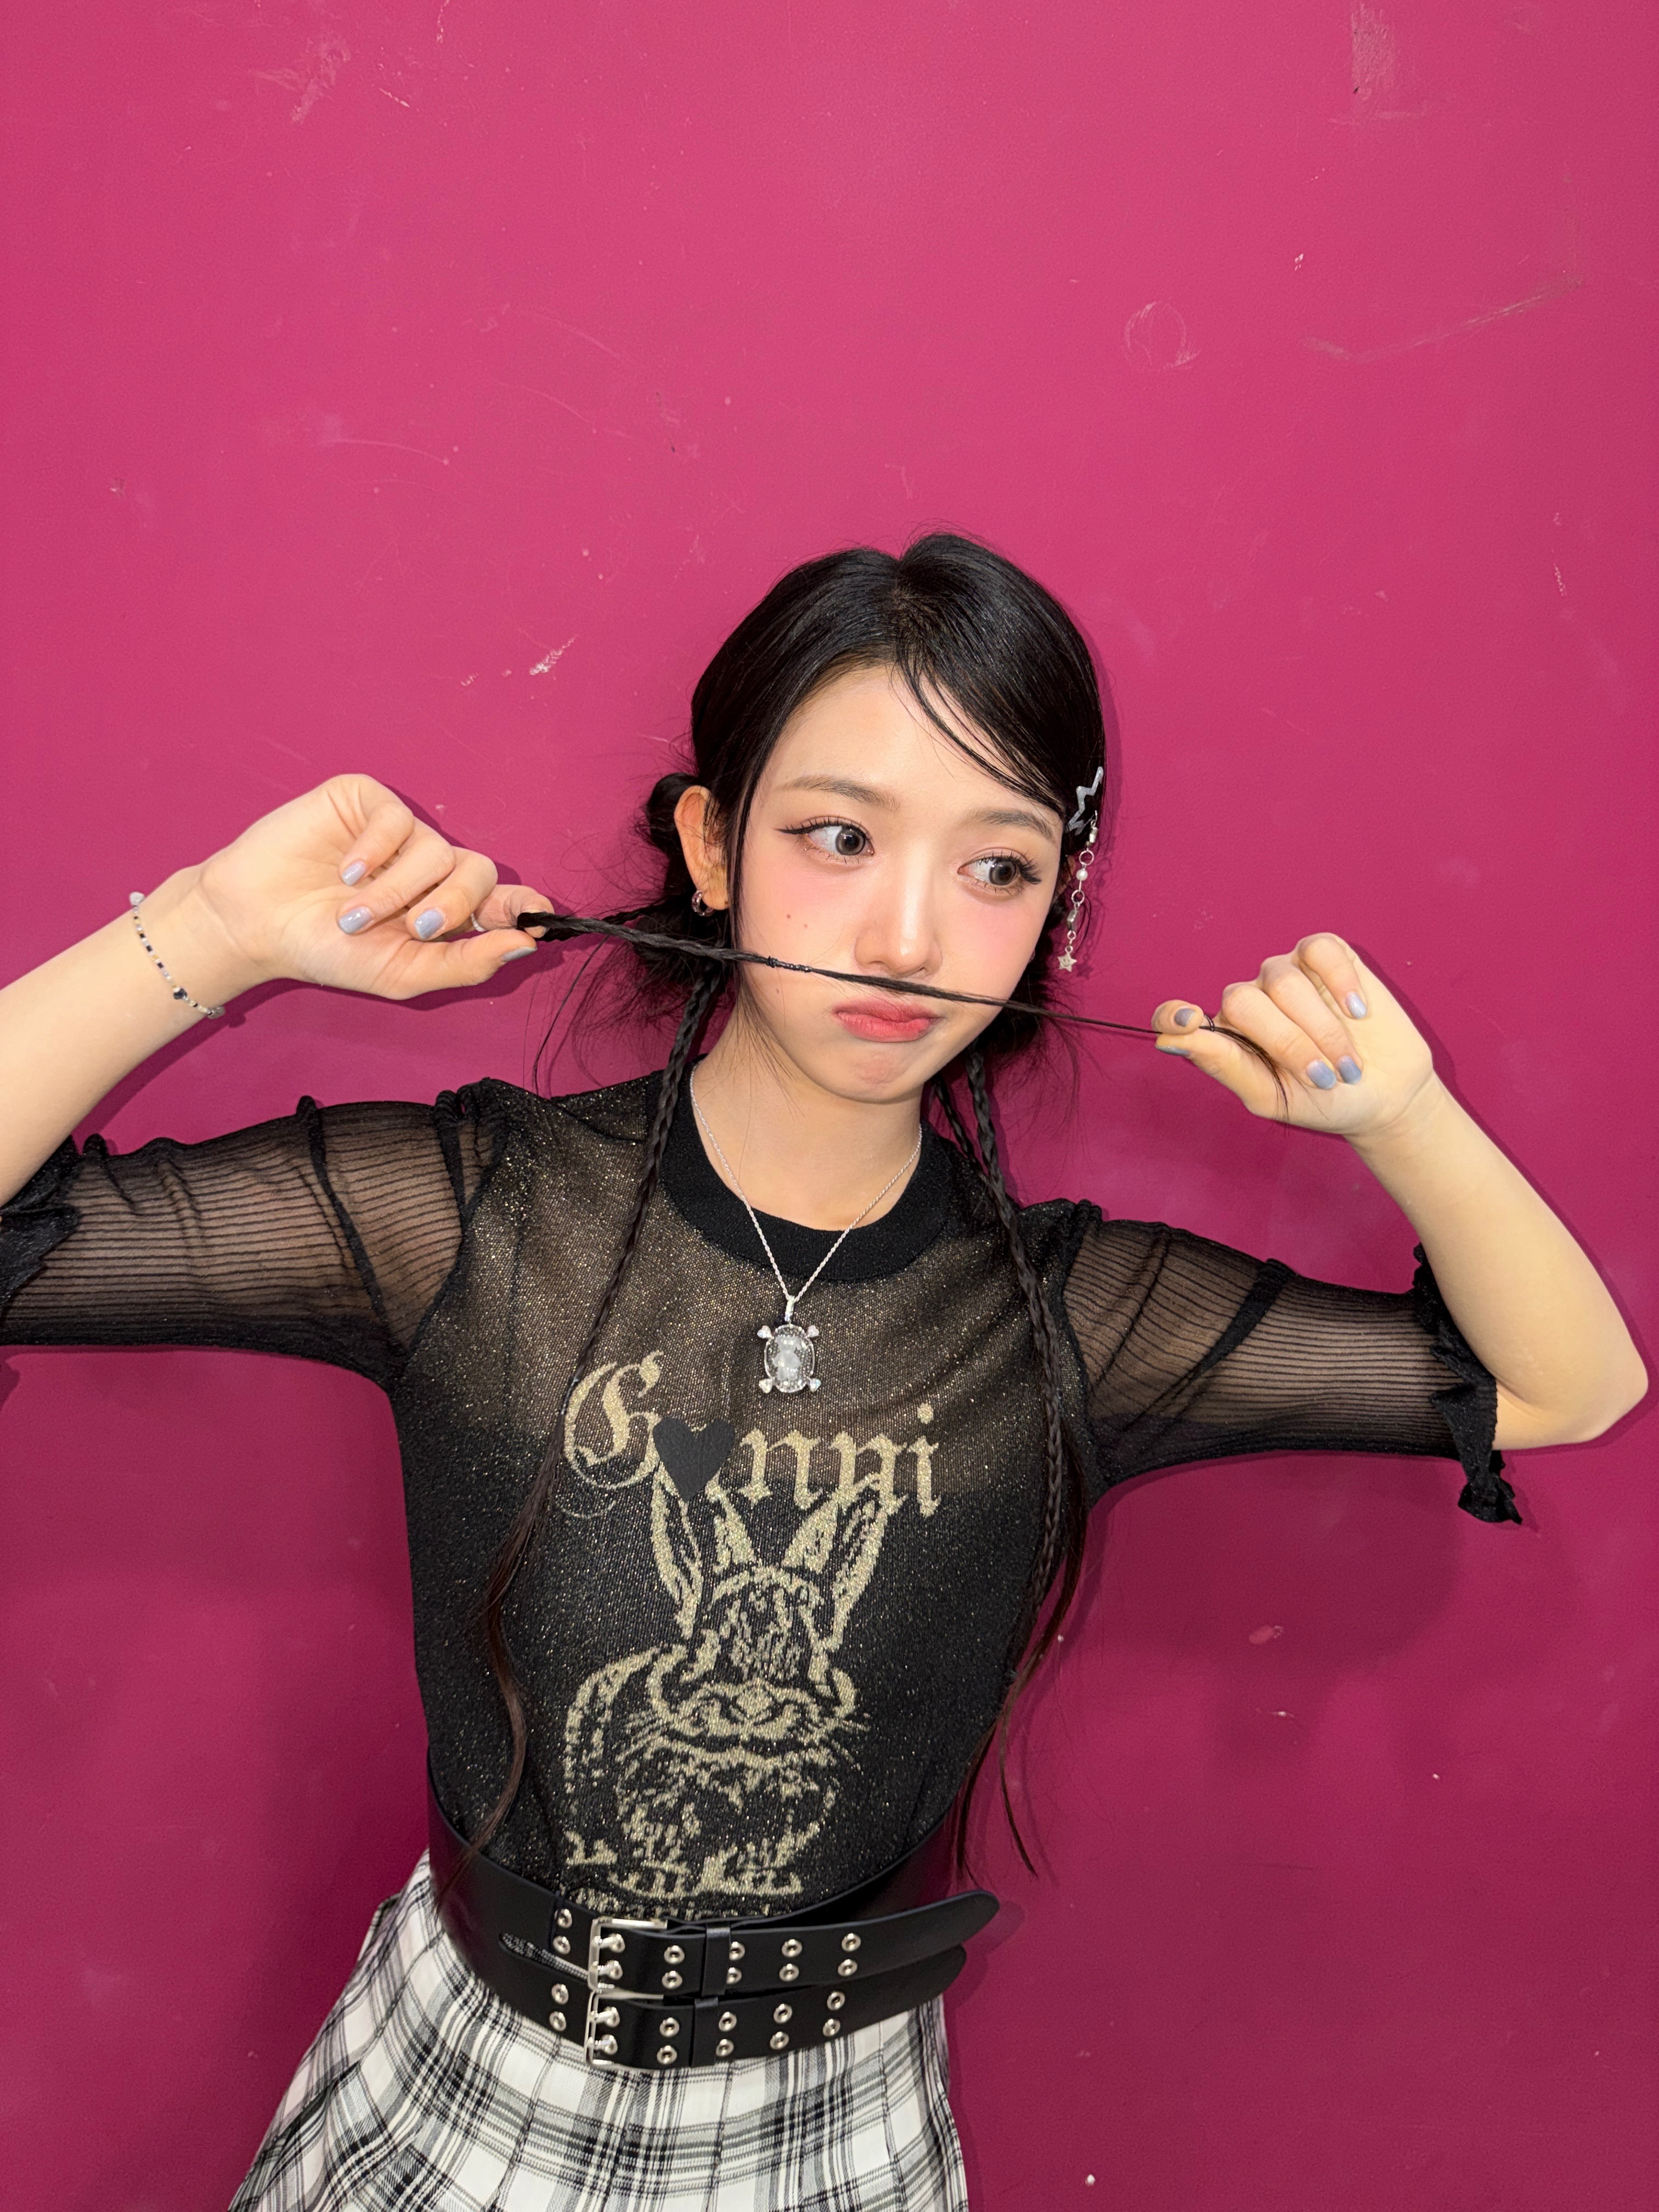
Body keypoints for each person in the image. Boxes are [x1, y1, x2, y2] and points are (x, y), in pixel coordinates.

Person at [0, 534, 1644, 2211]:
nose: (909, 936)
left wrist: (1404, 1118)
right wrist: (213, 928)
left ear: (1058, 906)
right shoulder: (473, 1211)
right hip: (460, 2088)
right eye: (840, 838)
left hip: (837, 2134)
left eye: (997, 866)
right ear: (713, 846)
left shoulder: (1073, 1313)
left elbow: (1567, 1388)